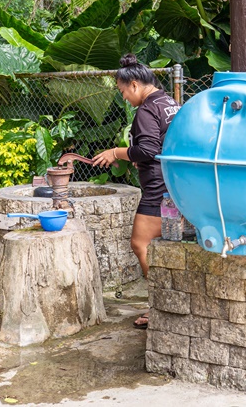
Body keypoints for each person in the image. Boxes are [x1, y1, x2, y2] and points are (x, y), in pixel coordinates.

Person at [93, 53, 180, 329]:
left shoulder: (146, 111)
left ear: (134, 84)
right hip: (175, 184)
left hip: (157, 187)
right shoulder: (169, 102)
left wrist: (116, 152)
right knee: (163, 247)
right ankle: (164, 301)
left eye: (122, 92)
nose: (124, 99)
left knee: (140, 243)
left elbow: (148, 150)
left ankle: (160, 306)